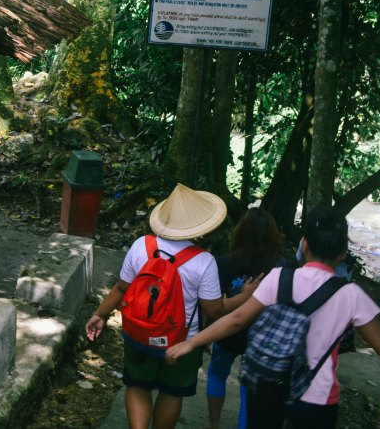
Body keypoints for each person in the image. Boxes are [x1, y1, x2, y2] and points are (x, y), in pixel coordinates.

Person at [166, 212, 380, 429]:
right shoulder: (352, 294)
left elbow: (236, 319)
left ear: (304, 244)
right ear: (344, 252)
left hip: (270, 386)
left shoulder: (280, 277)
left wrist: (192, 342)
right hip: (318, 396)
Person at [85, 184, 258, 429]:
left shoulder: (141, 245)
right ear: (198, 225)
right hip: (181, 341)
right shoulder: (203, 261)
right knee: (171, 392)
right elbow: (214, 311)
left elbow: (121, 289)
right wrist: (244, 296)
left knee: (137, 385)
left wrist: (99, 315)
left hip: (138, 332)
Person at [207, 209, 284, 429]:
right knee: (248, 387)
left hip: (228, 330)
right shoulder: (280, 267)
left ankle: (214, 425)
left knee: (217, 373)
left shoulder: (222, 263)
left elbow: (215, 304)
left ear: (240, 233)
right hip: (261, 336)